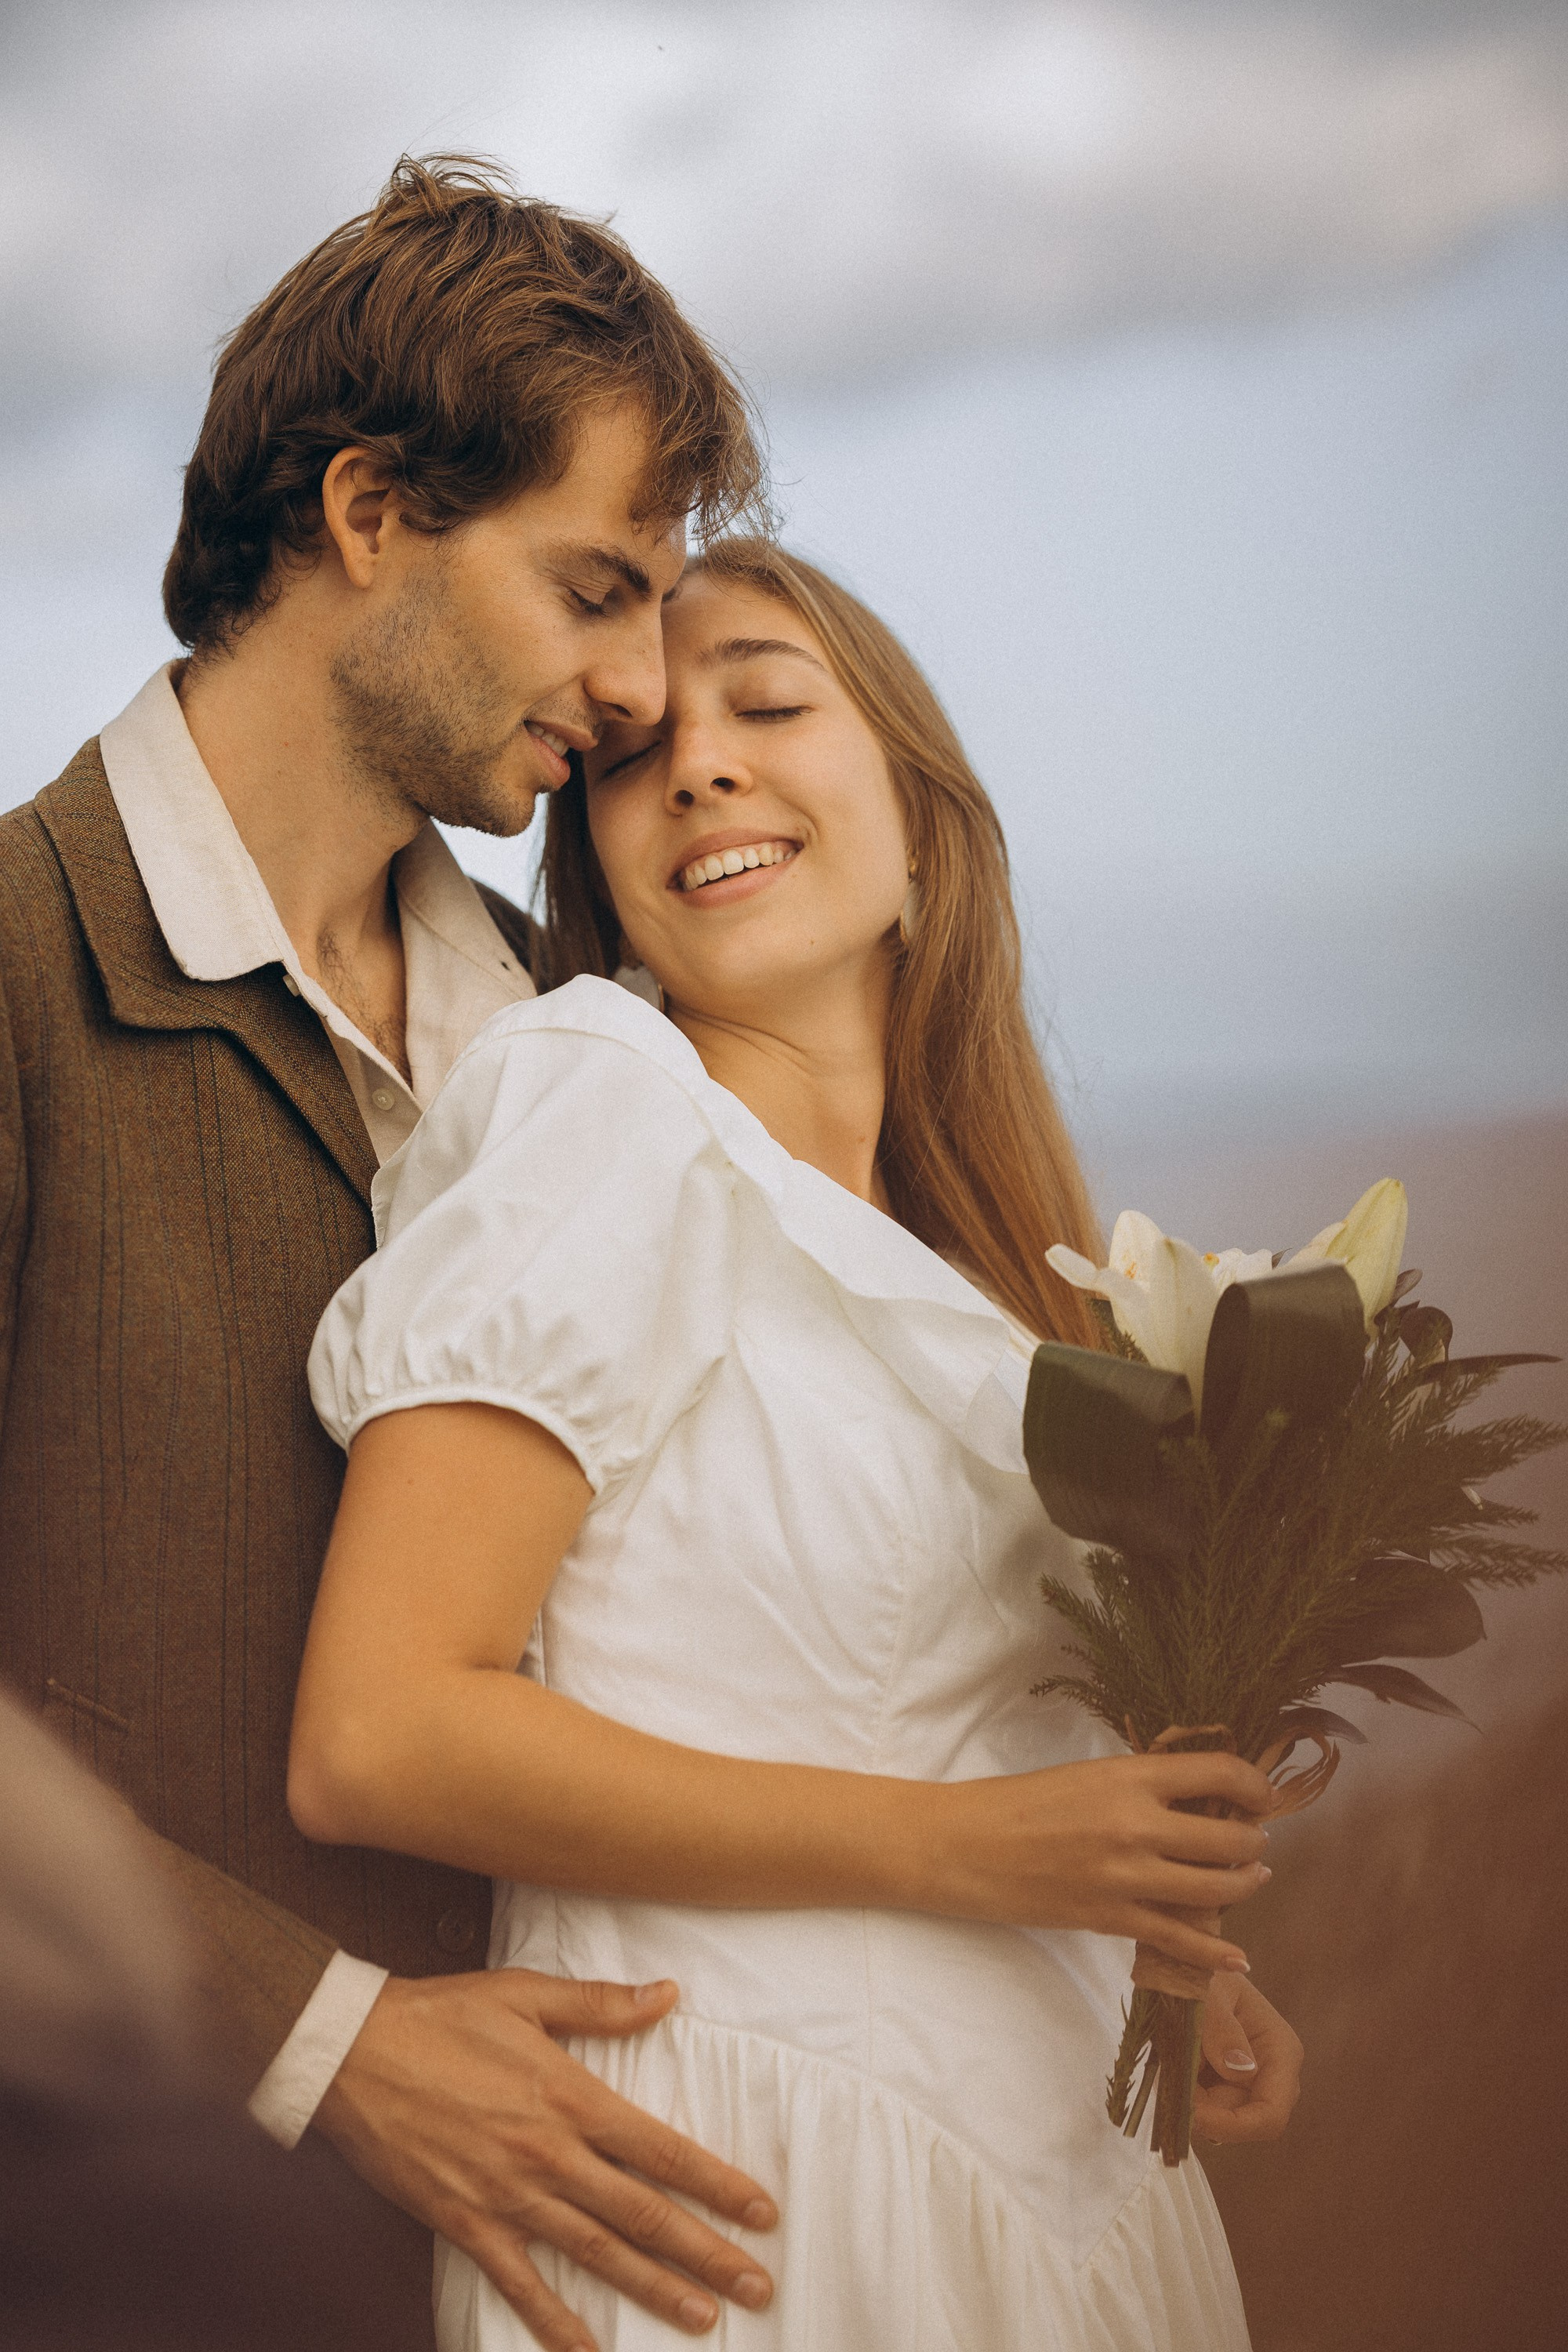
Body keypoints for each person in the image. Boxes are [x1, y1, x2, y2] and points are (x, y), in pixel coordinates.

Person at [292, 539, 1304, 2350]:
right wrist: (969, 1849)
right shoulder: (607, 1108)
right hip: (758, 2204)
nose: (696, 766)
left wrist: (1142, 1950)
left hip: (1062, 2204)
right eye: (629, 758)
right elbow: (380, 1733)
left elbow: (957, 1732)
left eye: (767, 704)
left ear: (923, 823)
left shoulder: (1001, 1277)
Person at [0, 154, 786, 2352]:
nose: (639, 689)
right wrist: (322, 2040)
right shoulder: (11, 972)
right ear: (368, 512)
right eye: (595, 589)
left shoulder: (581, 1040)